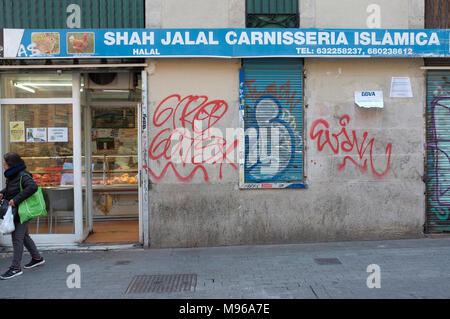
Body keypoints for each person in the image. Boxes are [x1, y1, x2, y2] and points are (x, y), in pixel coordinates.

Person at [0, 152, 45, 280]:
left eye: (5, 164)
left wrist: (16, 200)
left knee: (17, 238)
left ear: (11, 164)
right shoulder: (12, 175)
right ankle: (37, 258)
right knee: (24, 236)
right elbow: (13, 188)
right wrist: (3, 193)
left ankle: (15, 268)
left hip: (22, 211)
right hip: (18, 210)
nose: (3, 166)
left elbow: (33, 187)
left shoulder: (22, 175)